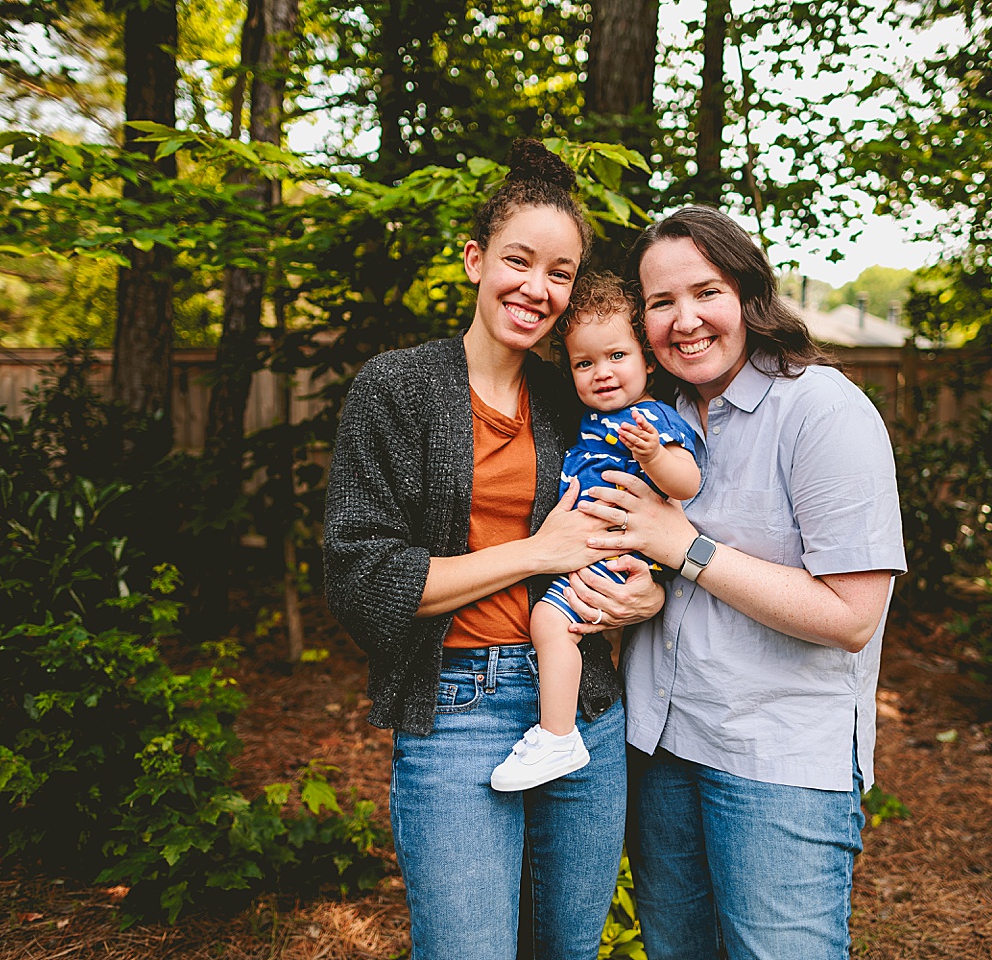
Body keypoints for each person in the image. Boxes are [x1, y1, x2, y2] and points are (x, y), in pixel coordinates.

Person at [321, 140, 664, 960]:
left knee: (567, 949)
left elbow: (638, 515)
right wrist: (534, 553)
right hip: (456, 711)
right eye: (519, 260)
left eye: (560, 272)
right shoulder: (397, 388)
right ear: (476, 260)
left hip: (581, 706)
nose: (536, 288)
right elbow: (360, 575)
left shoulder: (571, 395)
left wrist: (646, 594)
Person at [579, 205, 906, 960]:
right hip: (660, 750)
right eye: (660, 302)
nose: (684, 320)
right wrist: (642, 598)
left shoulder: (822, 410)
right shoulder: (656, 419)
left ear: (749, 295)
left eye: (706, 292)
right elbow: (662, 580)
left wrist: (686, 548)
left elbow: (853, 616)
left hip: (776, 763)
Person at [491, 273, 702, 792]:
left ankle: (557, 734)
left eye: (616, 357)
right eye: (585, 363)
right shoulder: (588, 418)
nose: (601, 373)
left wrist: (654, 455)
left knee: (549, 621)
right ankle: (559, 729)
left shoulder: (650, 417)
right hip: (591, 548)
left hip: (611, 549)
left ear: (648, 360)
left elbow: (688, 482)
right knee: (560, 625)